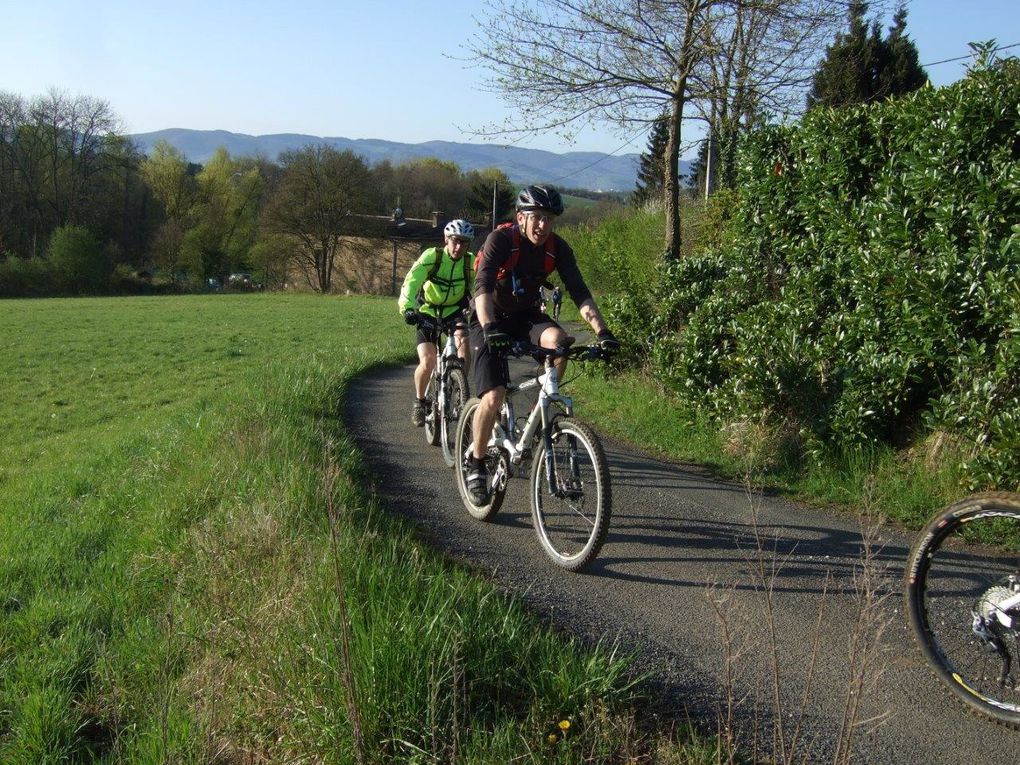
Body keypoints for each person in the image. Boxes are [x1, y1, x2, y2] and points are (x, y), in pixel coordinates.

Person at [465, 185, 619, 505]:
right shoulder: (502, 241)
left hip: (525, 317)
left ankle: (541, 415)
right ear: (521, 218)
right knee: (493, 396)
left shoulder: (556, 248)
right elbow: (483, 286)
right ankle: (476, 463)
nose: (542, 226)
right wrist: (490, 326)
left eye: (548, 219)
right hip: (487, 317)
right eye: (536, 218)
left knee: (560, 343)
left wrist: (603, 331)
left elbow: (580, 292)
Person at [398, 219, 475, 427]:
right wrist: (407, 308)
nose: (459, 247)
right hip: (427, 311)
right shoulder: (433, 256)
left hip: (454, 312)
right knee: (428, 360)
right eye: (455, 241)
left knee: (464, 345)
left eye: (464, 243)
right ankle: (420, 401)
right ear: (446, 240)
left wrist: (481, 311)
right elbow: (412, 280)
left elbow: (479, 288)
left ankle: (460, 389)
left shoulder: (469, 262)